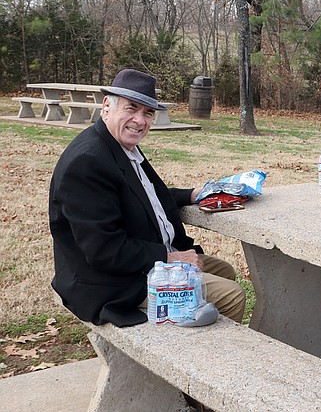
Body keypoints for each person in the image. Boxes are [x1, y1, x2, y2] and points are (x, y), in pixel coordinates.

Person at [50, 69, 246, 327]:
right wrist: (171, 258)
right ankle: (199, 358)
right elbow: (104, 250)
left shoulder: (119, 145)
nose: (139, 121)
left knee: (225, 271)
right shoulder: (87, 162)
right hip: (109, 280)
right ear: (107, 106)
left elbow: (143, 193)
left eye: (148, 112)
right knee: (232, 295)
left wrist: (192, 194)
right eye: (131, 108)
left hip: (142, 260)